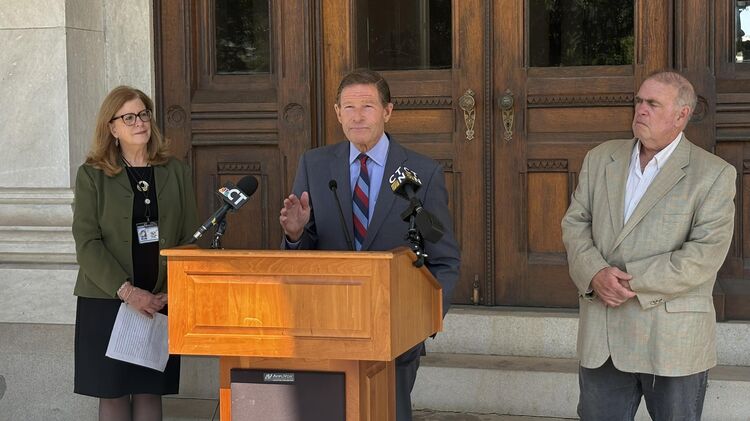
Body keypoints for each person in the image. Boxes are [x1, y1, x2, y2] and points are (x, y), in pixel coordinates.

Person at [279, 68, 460, 420]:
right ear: (337, 113)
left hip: (395, 328)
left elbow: (445, 258)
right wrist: (296, 235)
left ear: (387, 111)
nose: (357, 116)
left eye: (367, 106)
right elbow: (300, 257)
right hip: (328, 323)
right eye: (349, 107)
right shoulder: (314, 165)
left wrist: (424, 321)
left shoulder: (422, 173)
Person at [561, 71, 736, 420]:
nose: (641, 109)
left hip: (671, 340)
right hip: (604, 338)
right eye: (639, 101)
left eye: (653, 104)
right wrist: (595, 273)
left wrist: (628, 281)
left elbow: (703, 256)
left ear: (681, 115)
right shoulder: (600, 158)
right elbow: (575, 223)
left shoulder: (713, 174)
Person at [72, 86, 199, 421]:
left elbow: (190, 238)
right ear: (112, 128)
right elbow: (87, 242)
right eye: (128, 117)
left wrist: (171, 291)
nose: (139, 122)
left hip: (159, 300)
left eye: (143, 114)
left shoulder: (175, 171)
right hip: (108, 300)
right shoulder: (92, 175)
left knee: (149, 391)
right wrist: (128, 292)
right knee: (113, 394)